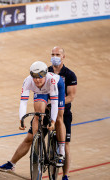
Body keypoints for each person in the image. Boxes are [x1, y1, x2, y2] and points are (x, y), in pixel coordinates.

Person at [0, 60, 67, 172]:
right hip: (41, 92)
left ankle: (61, 151)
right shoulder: (28, 81)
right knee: (37, 115)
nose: (37, 80)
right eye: (34, 77)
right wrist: (21, 120)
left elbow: (54, 103)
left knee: (59, 118)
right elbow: (23, 102)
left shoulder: (53, 81)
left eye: (40, 77)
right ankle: (37, 143)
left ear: (45, 75)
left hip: (56, 89)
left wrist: (53, 121)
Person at [49, 47, 77, 180]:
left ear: (63, 57)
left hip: (63, 112)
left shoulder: (70, 75)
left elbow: (71, 96)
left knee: (65, 143)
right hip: (48, 110)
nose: (55, 56)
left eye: (57, 54)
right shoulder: (46, 71)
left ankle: (65, 175)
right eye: (53, 54)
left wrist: (56, 102)